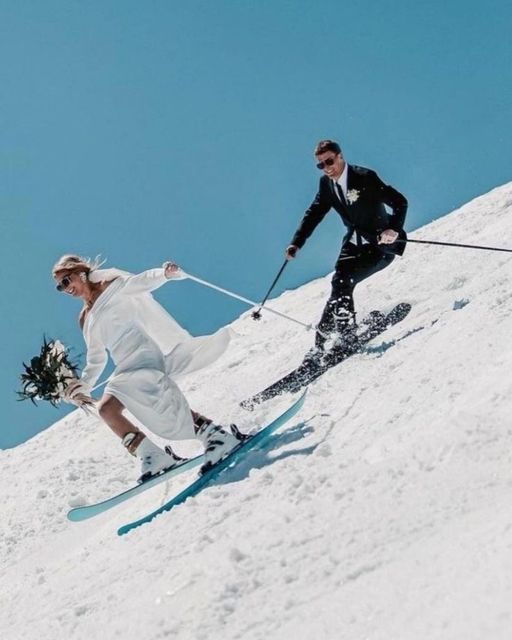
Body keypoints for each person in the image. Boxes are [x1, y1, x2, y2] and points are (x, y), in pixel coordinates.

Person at [52, 255, 244, 482]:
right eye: (60, 286)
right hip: (125, 364)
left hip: (144, 353)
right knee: (107, 411)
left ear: (81, 273)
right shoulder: (85, 317)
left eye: (67, 280)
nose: (66, 288)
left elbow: (141, 282)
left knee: (157, 402)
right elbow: (96, 358)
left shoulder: (111, 286)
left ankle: (216, 437)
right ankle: (154, 455)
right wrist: (81, 386)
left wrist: (165, 274)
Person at [285, 139, 408, 358]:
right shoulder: (326, 185)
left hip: (379, 246)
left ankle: (347, 335)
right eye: (320, 165)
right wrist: (297, 242)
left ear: (340, 157)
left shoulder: (364, 177)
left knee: (342, 282)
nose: (326, 168)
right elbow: (314, 213)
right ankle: (320, 345)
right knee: (338, 285)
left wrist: (393, 230)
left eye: (329, 161)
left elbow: (400, 202)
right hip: (352, 244)